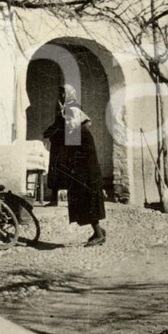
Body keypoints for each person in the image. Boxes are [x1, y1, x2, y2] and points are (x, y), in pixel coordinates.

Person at [61, 85, 107, 246]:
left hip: (88, 174)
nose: (68, 121)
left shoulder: (81, 133)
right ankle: (99, 231)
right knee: (85, 203)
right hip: (84, 173)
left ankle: (99, 234)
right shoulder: (78, 131)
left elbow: (86, 157)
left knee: (89, 203)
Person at [42, 93, 67, 206]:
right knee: (55, 173)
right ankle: (54, 200)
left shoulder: (68, 123)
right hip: (57, 151)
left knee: (68, 173)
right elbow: (46, 134)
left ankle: (69, 200)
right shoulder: (56, 124)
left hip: (66, 151)